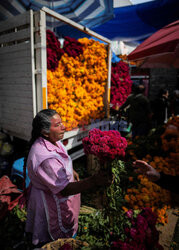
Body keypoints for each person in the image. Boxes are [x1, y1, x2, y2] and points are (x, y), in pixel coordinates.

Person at [23, 109, 111, 248]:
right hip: (50, 201)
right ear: (45, 132)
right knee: (53, 239)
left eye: (62, 122)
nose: (64, 127)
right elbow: (64, 189)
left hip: (55, 195)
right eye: (57, 125)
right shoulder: (46, 159)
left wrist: (71, 170)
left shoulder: (52, 140)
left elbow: (61, 158)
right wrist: (93, 181)